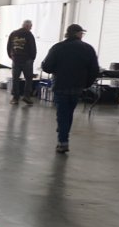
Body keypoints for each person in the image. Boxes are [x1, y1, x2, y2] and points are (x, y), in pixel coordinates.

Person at [41, 24, 100, 154]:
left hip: (60, 85)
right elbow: (94, 70)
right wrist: (86, 84)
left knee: (62, 113)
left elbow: (47, 67)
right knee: (68, 113)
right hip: (77, 87)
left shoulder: (58, 47)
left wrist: (48, 66)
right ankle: (63, 132)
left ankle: (63, 141)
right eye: (82, 33)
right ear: (78, 34)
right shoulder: (88, 49)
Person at [7, 19, 37, 105]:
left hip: (15, 59)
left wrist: (11, 56)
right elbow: (33, 47)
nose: (31, 28)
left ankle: (15, 98)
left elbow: (9, 46)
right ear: (27, 26)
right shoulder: (29, 34)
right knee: (28, 78)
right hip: (27, 60)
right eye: (30, 27)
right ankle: (26, 96)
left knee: (15, 79)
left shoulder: (13, 33)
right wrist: (32, 58)